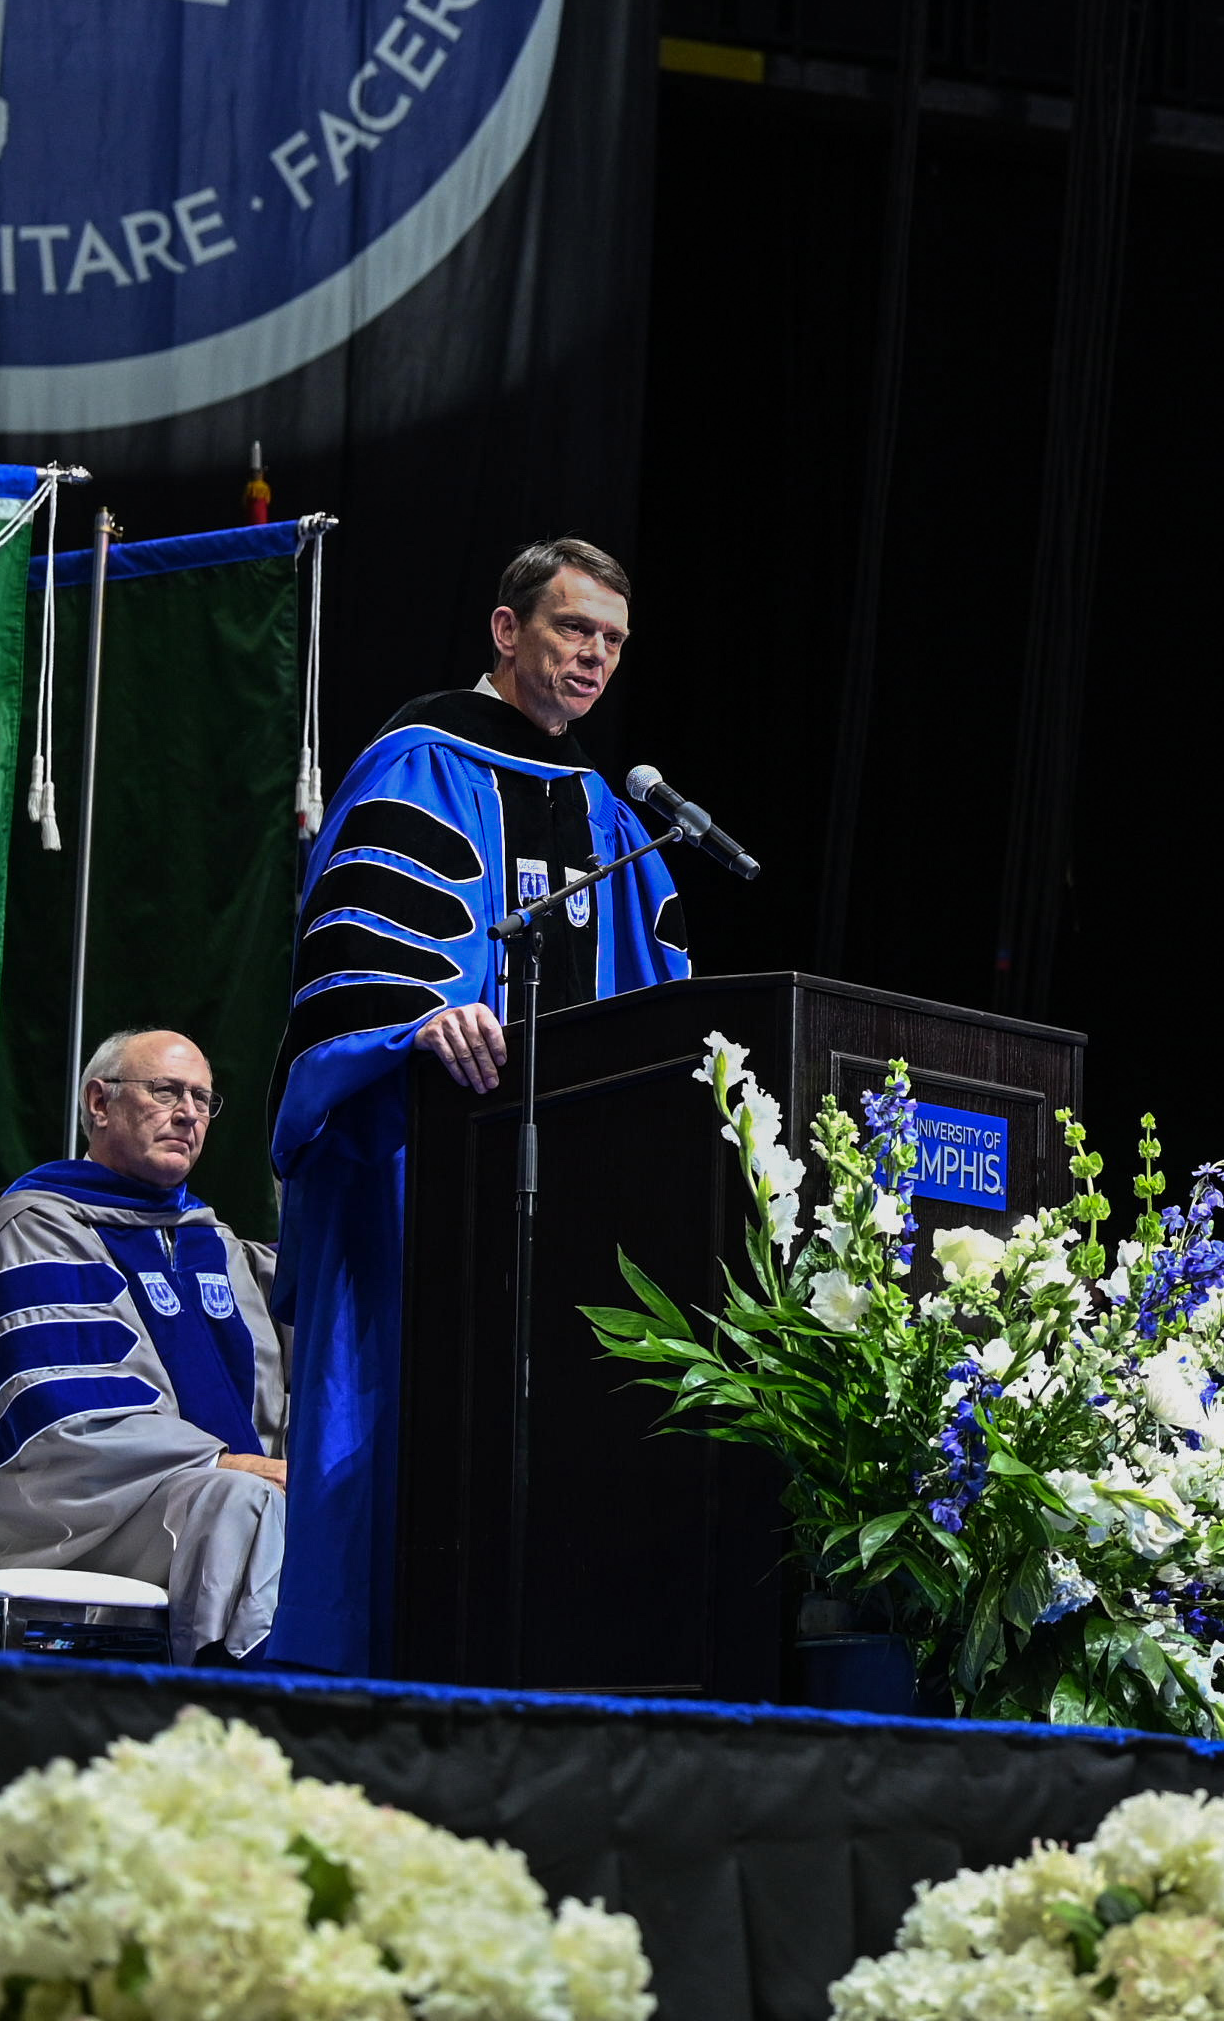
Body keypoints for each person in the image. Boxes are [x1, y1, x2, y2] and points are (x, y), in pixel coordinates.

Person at [266, 538, 692, 1676]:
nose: (594, 657)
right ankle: (358, 1668)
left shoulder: (613, 812)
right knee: (406, 1424)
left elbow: (659, 999)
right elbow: (359, 960)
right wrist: (417, 1026)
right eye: (572, 630)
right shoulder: (415, 762)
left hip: (579, 1183)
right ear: (509, 632)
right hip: (424, 1160)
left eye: (611, 640)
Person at [0, 1034, 290, 1660]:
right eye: (165, 1091)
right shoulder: (41, 1226)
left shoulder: (215, 1243)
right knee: (243, 1498)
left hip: (206, 1506)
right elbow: (66, 1410)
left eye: (203, 1099)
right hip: (80, 1512)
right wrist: (228, 1464)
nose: (188, 1113)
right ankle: (224, 1708)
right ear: (99, 1103)